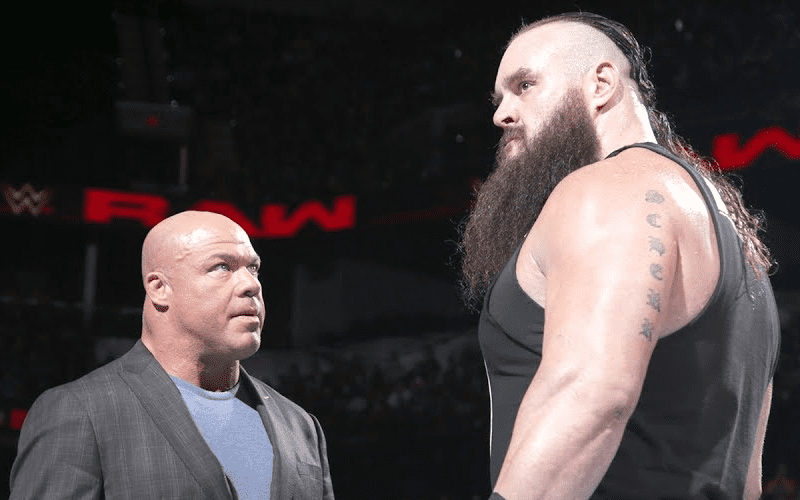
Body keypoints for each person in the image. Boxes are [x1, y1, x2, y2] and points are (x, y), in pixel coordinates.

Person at [458, 12, 780, 500]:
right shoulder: (737, 242)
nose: (502, 114)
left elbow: (591, 395)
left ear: (602, 84)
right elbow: (748, 479)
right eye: (500, 98)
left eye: (524, 85)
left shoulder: (611, 189)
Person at [10, 211, 334, 499]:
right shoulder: (80, 413)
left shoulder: (301, 426)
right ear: (159, 288)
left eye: (254, 268)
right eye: (222, 267)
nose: (251, 284)